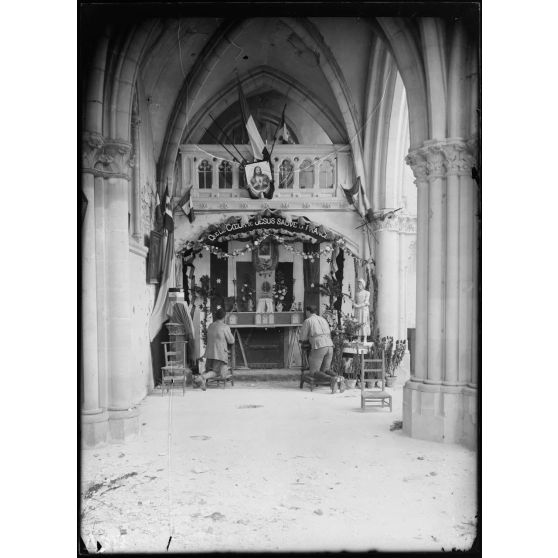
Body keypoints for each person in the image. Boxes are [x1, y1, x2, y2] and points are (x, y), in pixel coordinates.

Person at [300, 305, 345, 393]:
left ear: (308, 312)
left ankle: (332, 379)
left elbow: (303, 337)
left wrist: (305, 338)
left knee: (313, 372)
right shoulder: (323, 319)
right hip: (329, 345)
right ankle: (340, 378)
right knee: (326, 370)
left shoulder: (308, 321)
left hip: (319, 345)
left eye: (306, 312)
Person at [193, 307, 234, 391]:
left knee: (210, 370)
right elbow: (231, 340)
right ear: (224, 317)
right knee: (218, 372)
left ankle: (201, 379)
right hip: (219, 354)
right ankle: (201, 378)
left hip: (209, 353)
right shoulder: (225, 327)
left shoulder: (211, 326)